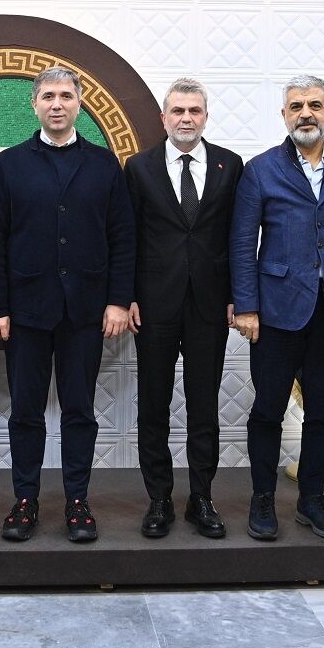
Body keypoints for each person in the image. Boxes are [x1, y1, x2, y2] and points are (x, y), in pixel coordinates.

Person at [0, 65, 135, 543]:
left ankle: (77, 502)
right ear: (35, 105)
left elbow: (122, 238)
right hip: (25, 310)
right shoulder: (11, 163)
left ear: (79, 104)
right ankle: (25, 500)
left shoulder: (104, 164)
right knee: (25, 412)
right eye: (48, 96)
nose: (57, 104)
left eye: (66, 95)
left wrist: (118, 301)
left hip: (86, 311)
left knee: (79, 411)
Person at [230, 74, 324, 542]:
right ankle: (262, 498)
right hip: (276, 312)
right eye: (296, 106)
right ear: (284, 115)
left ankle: (312, 499)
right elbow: (242, 244)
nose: (306, 114)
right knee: (267, 410)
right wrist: (246, 307)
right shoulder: (260, 169)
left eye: (315, 105)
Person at [124, 78, 243, 538]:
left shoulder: (230, 165)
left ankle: (201, 498)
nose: (186, 118)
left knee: (203, 405)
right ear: (164, 118)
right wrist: (127, 296)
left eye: (194, 110)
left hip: (210, 304)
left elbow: (238, 236)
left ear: (206, 116)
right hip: (153, 304)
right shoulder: (139, 167)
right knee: (154, 404)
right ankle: (158, 499)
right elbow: (127, 237)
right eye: (178, 111)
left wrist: (238, 295)